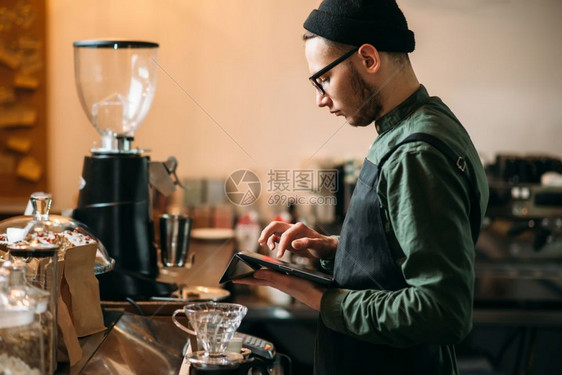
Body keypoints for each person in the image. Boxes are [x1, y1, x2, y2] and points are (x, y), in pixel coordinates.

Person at [234, 0, 489, 373]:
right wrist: (335, 251)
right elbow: (398, 257)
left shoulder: (415, 154)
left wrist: (321, 299)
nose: (320, 99)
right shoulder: (418, 124)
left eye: (323, 79)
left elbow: (442, 310)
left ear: (368, 59)